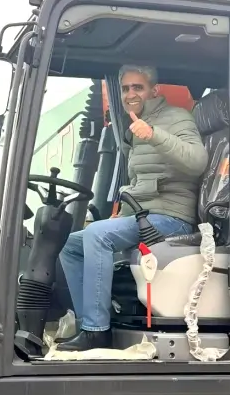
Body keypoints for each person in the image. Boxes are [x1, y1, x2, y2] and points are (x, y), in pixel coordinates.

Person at [57, 64, 208, 351]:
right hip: (144, 215)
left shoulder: (176, 118)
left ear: (154, 90)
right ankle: (87, 323)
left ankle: (96, 332)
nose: (130, 94)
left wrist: (154, 134)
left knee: (97, 235)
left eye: (138, 87)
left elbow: (197, 161)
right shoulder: (134, 125)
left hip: (171, 216)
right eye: (126, 88)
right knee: (71, 245)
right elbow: (142, 183)